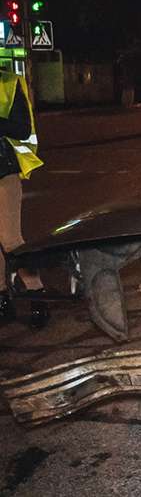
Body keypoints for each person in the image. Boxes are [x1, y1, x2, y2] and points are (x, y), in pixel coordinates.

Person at [0, 68, 46, 324]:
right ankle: (3, 299)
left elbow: (22, 127)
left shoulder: (7, 82)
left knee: (10, 240)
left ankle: (37, 295)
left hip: (3, 172)